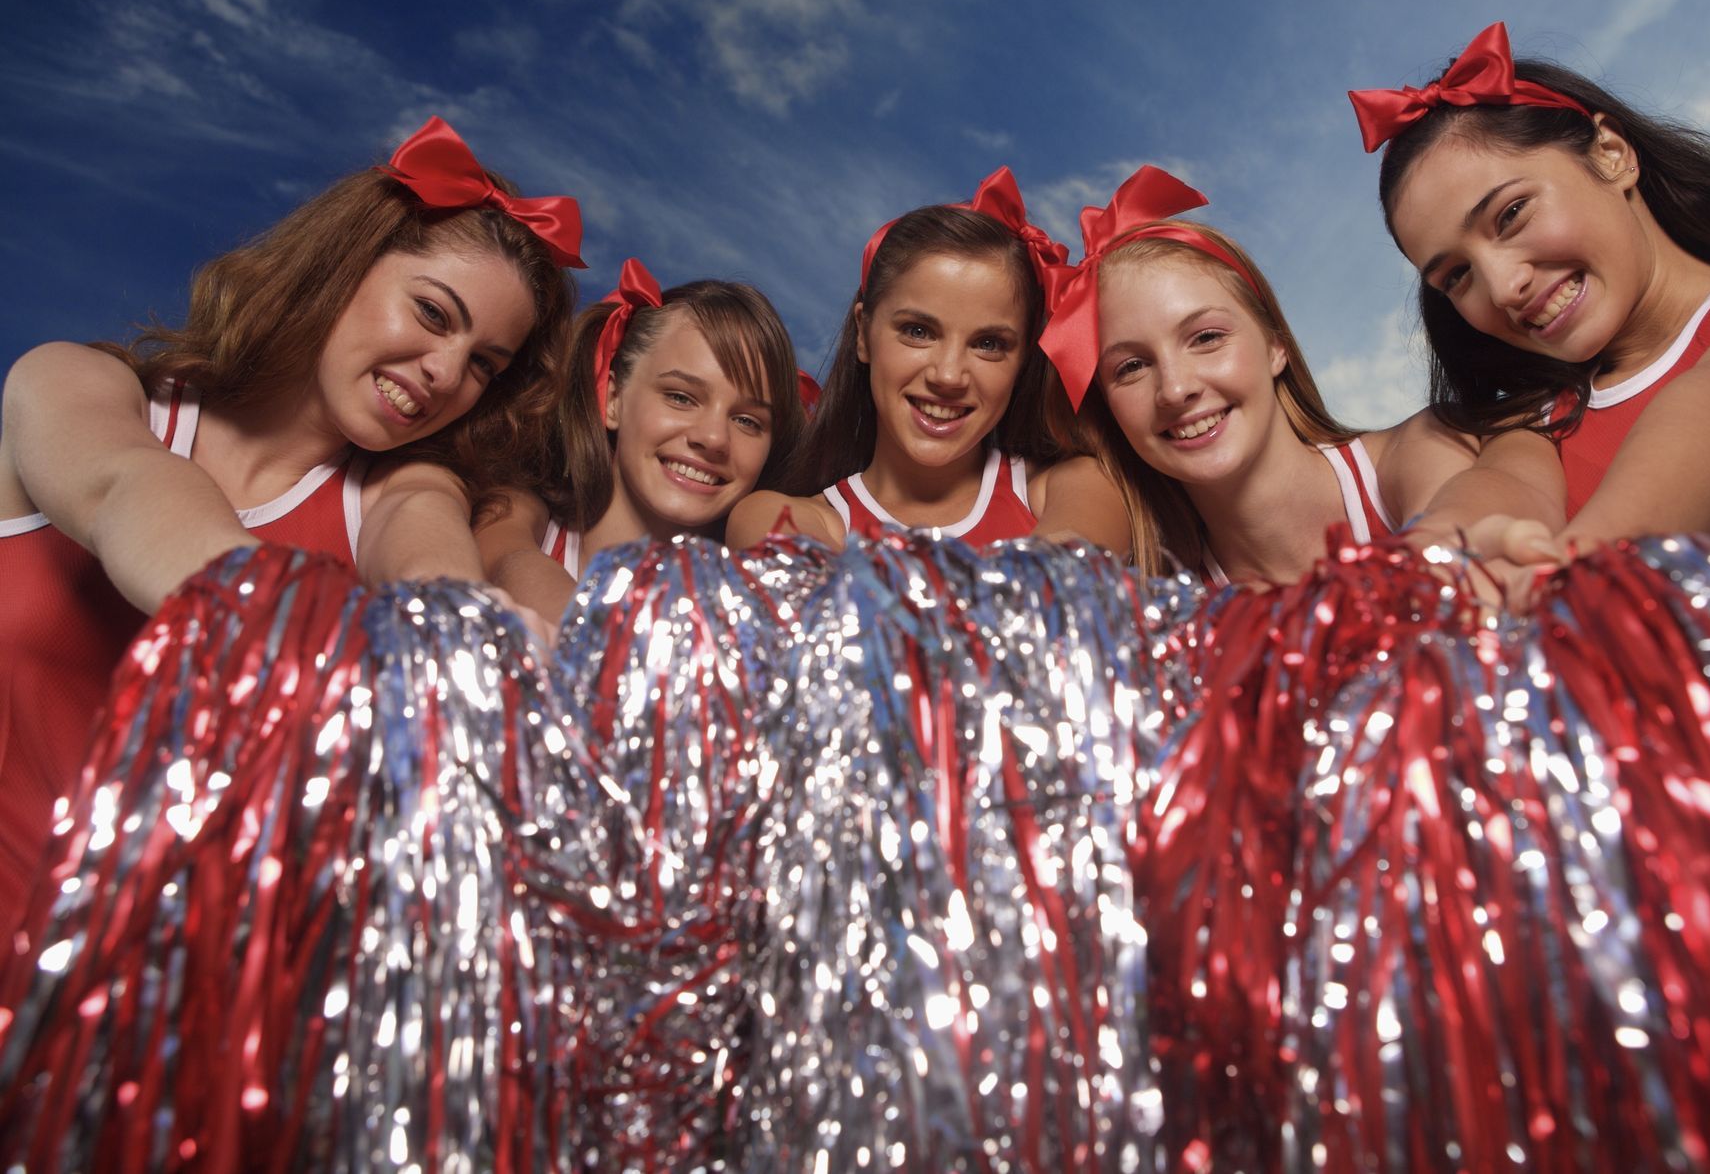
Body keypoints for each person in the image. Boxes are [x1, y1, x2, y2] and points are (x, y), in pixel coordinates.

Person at [0, 115, 582, 926]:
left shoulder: (402, 489)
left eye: (485, 363)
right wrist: (330, 643)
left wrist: (471, 643)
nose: (448, 371)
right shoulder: (79, 385)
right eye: (432, 314)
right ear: (343, 270)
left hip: (158, 1019)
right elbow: (124, 489)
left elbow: (429, 568)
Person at [1356, 20, 1710, 738]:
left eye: (1512, 214)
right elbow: (1499, 494)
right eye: (1456, 276)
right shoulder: (1543, 425)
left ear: (1613, 154)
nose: (1500, 286)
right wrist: (1433, 561)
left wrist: (1572, 583)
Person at [1038, 165, 1562, 582]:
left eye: (1206, 338)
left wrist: (1445, 550)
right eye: (1131, 367)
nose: (1176, 389)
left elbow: (1467, 507)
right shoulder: (1170, 597)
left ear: (1275, 346)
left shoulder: (1408, 456)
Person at [727, 167, 1129, 553]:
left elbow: (1056, 589)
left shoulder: (1077, 487)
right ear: (864, 333)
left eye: (988, 343)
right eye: (918, 331)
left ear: (1023, 360)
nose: (949, 375)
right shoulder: (778, 517)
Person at [475, 258, 804, 625]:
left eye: (747, 421)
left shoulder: (749, 613)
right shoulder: (512, 520)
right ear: (613, 399)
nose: (713, 438)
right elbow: (504, 556)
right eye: (680, 397)